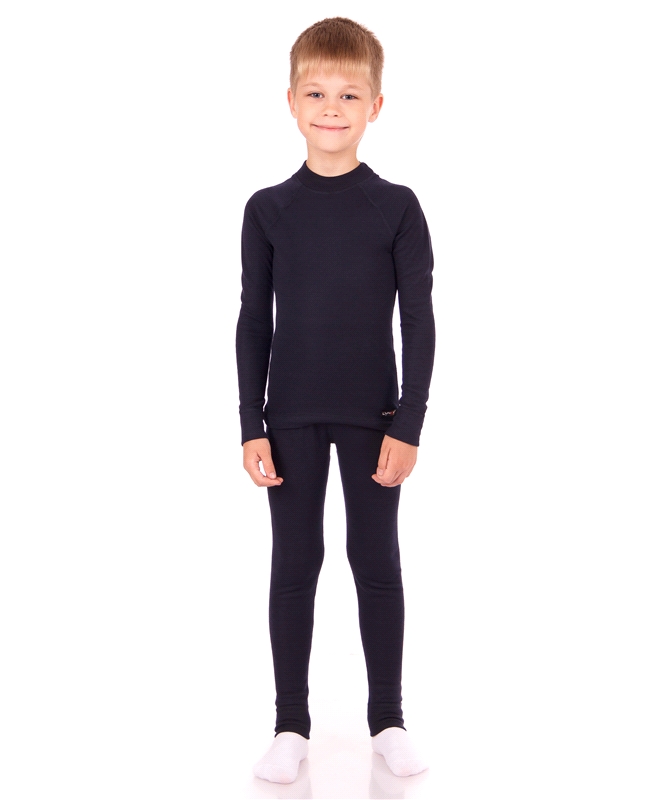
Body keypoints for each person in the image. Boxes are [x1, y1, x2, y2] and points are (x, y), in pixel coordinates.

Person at [236, 16, 435, 785]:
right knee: (295, 561)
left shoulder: (396, 206)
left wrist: (409, 422)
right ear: (290, 102)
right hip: (288, 414)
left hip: (372, 417)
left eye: (348, 94)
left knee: (374, 559)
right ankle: (290, 725)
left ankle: (388, 718)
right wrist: (250, 423)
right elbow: (254, 320)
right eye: (315, 93)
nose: (331, 107)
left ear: (375, 106)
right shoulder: (267, 209)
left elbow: (417, 321)